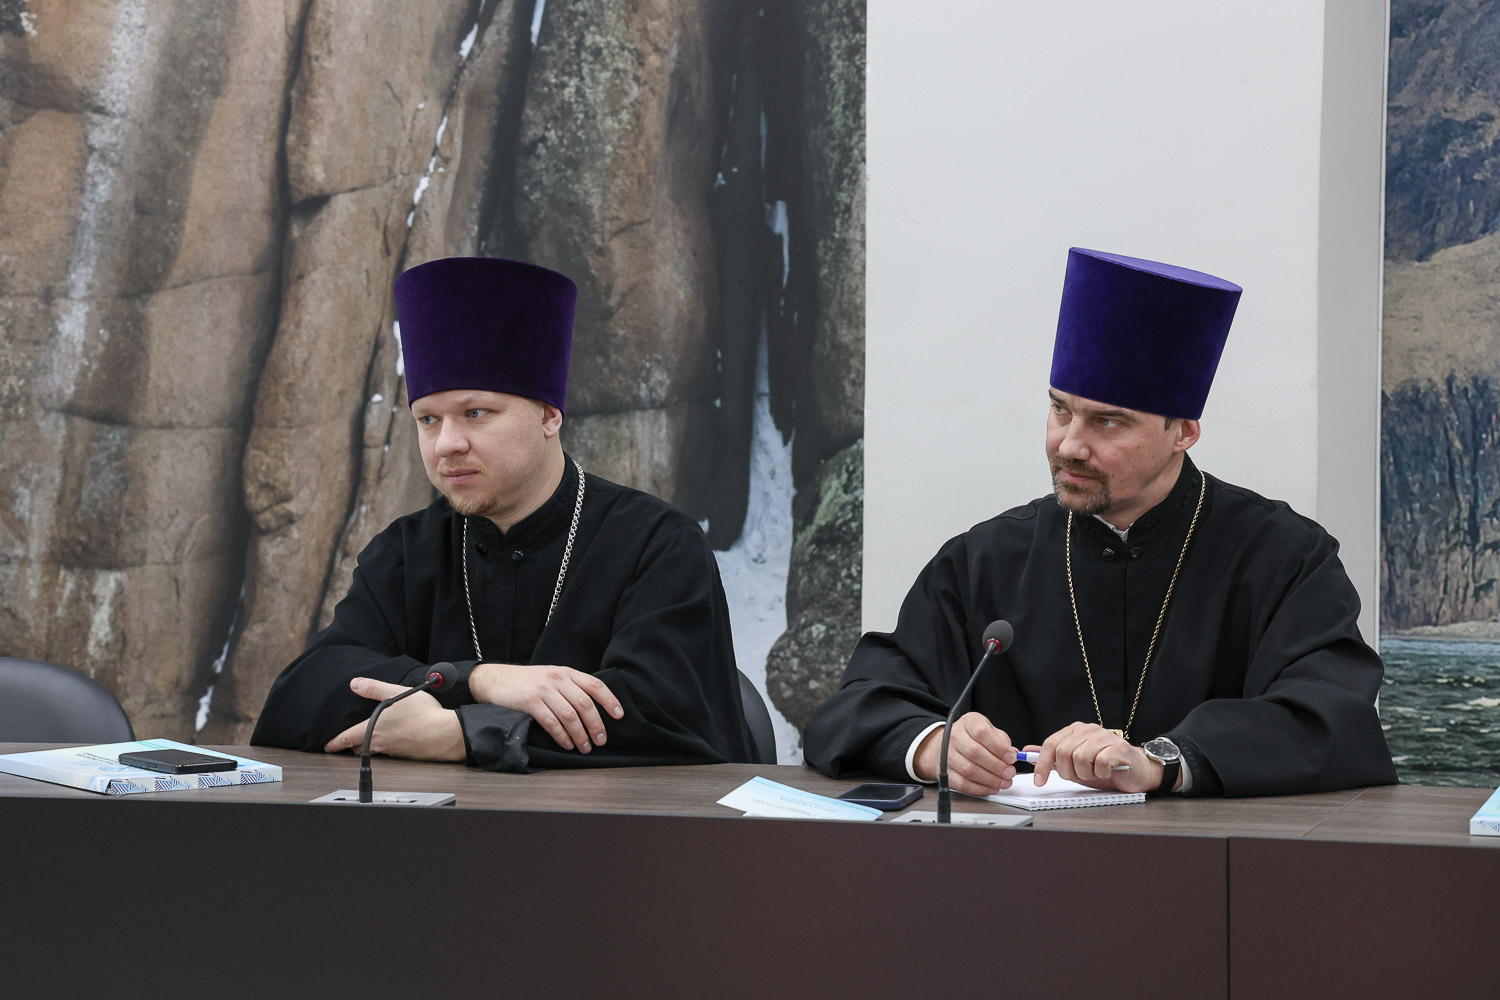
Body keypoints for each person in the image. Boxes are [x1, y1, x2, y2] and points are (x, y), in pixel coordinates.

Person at [803, 248, 1396, 797]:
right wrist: (935, 745)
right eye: (1060, 410)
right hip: (1015, 863)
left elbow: (1330, 717)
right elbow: (857, 707)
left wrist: (1163, 762)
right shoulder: (982, 560)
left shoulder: (1284, 556)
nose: (1070, 445)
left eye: (1107, 422)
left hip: (1214, 864)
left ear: (1183, 432)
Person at [252, 257, 755, 771]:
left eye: (476, 413)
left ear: (548, 415)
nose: (446, 444)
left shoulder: (658, 545)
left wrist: (462, 734)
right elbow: (303, 696)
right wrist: (477, 679)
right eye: (428, 420)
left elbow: (665, 723)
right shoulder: (405, 552)